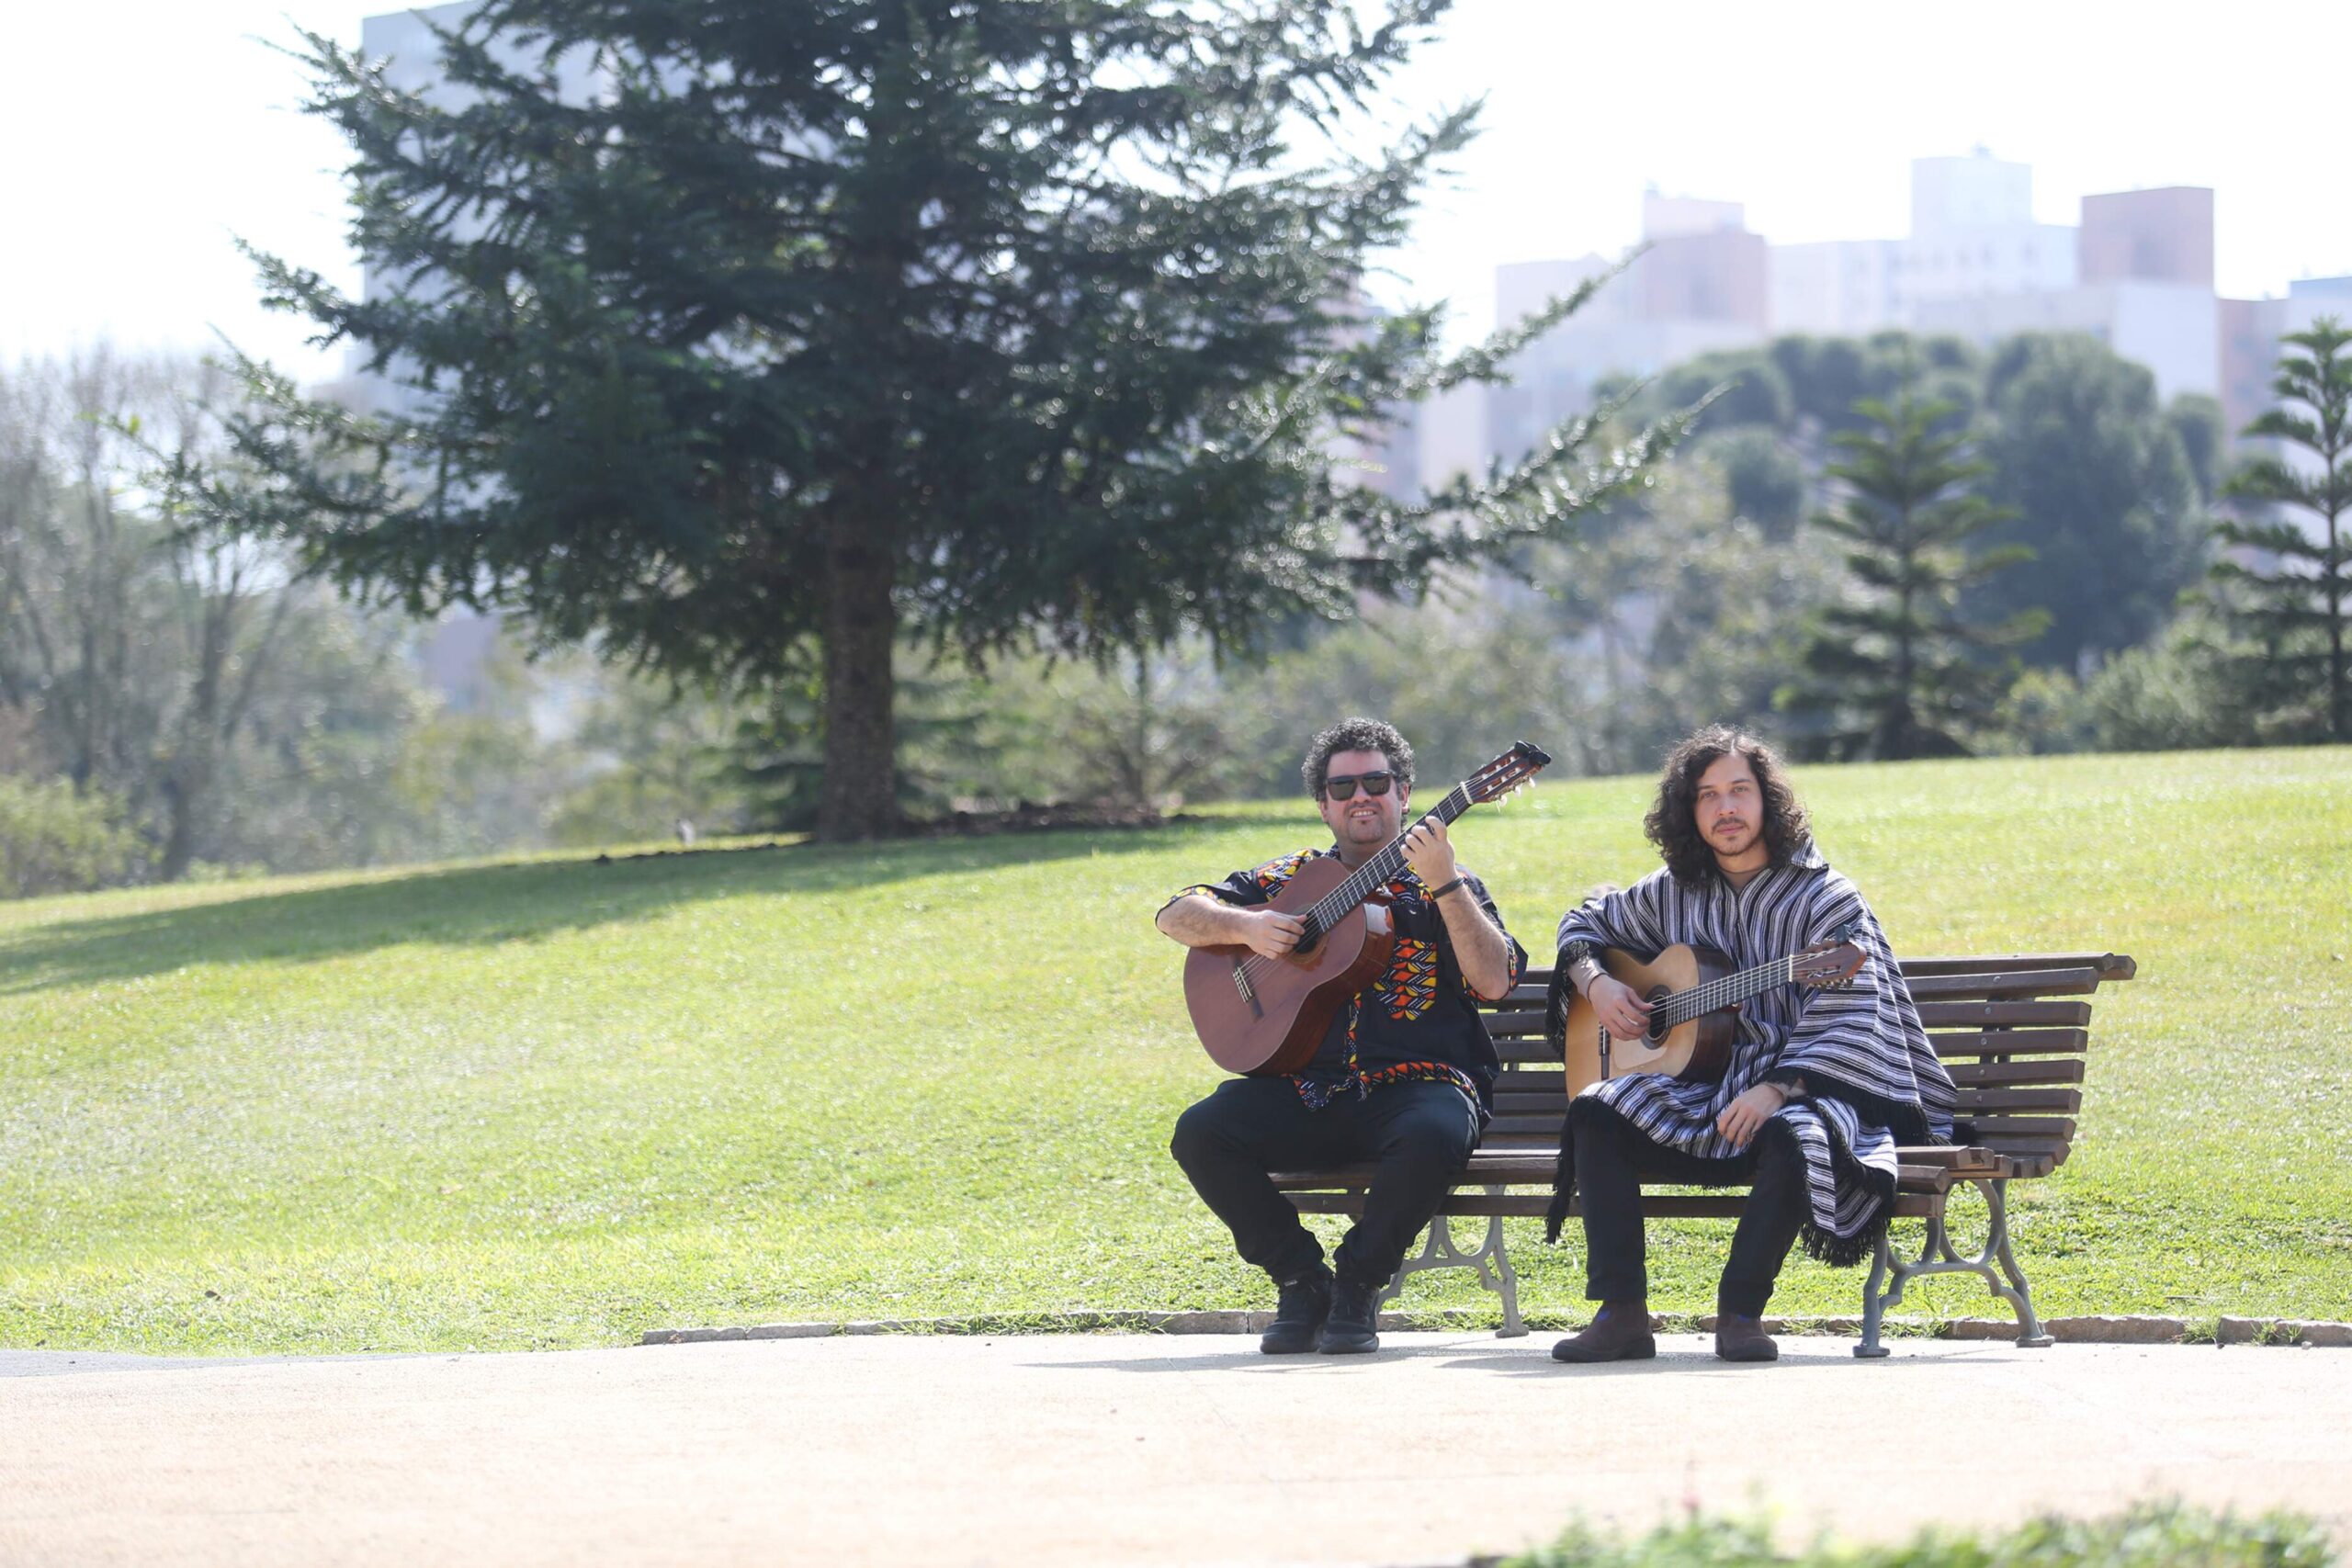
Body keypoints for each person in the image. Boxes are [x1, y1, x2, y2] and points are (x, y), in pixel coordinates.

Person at [1545, 726, 1955, 1364]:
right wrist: (1596, 983)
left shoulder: (1825, 896)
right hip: (1701, 1096)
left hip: (1801, 1094)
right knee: (1596, 1109)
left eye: (1740, 790)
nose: (1726, 808)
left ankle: (1741, 1312)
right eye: (1708, 795)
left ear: (1767, 799)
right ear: (1689, 810)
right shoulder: (1673, 891)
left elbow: (1853, 1007)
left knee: (1802, 1133)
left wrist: (1778, 1085)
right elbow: (1582, 921)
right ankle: (1621, 1311)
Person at [1160, 717, 1527, 1356]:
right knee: (1202, 1131)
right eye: (1344, 786)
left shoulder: (1448, 882)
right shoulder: (1286, 879)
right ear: (1324, 804)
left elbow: (1496, 982)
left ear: (1404, 792)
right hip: (1308, 1089)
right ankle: (1302, 1280)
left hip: (1418, 1088)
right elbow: (1175, 914)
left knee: (1436, 1130)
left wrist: (1445, 882)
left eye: (1377, 781)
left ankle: (1358, 1282)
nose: (1362, 795)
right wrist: (1247, 927)